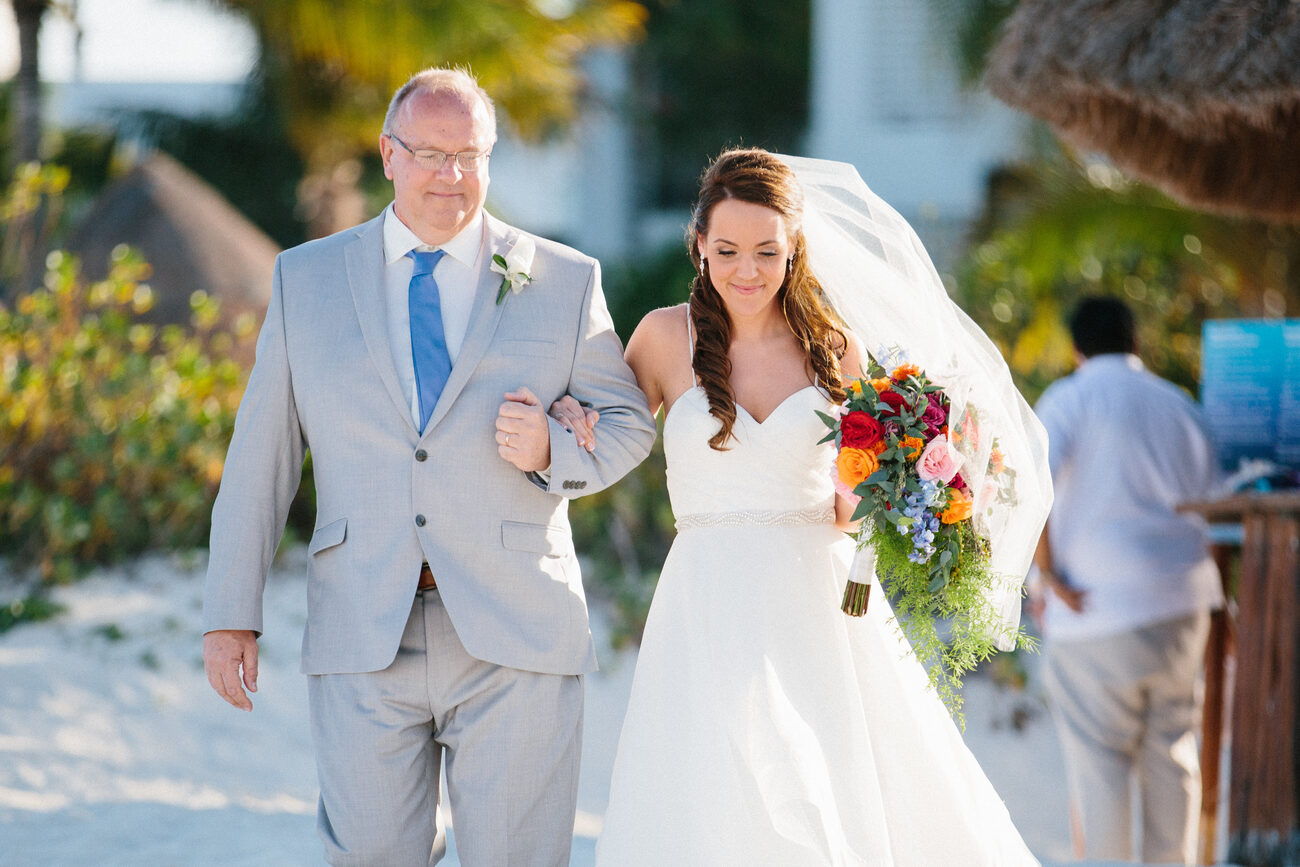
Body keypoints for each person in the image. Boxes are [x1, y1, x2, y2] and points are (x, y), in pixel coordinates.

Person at [200, 66, 656, 866]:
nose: (452, 174)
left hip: (516, 626)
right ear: (388, 154)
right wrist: (230, 610)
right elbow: (260, 457)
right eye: (431, 154)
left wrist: (551, 451)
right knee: (372, 854)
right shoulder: (305, 279)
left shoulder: (564, 278)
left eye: (470, 155)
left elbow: (628, 425)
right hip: (362, 622)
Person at [552, 148, 1050, 865]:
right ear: (700, 245)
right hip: (705, 598)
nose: (746, 270)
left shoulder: (836, 348)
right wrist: (572, 416)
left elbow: (849, 506)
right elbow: (613, 435)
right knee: (711, 792)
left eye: (767, 251)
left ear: (794, 250)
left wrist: (895, 480)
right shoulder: (662, 337)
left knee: (831, 788)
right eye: (727, 250)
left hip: (818, 601)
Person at [1031, 295, 1223, 864]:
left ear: (1076, 349)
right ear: (1136, 342)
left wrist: (1047, 576)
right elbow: (1215, 503)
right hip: (1181, 605)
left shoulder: (1068, 399)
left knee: (1101, 769)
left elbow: (1034, 490)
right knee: (1173, 752)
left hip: (1095, 607)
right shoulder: (1178, 403)